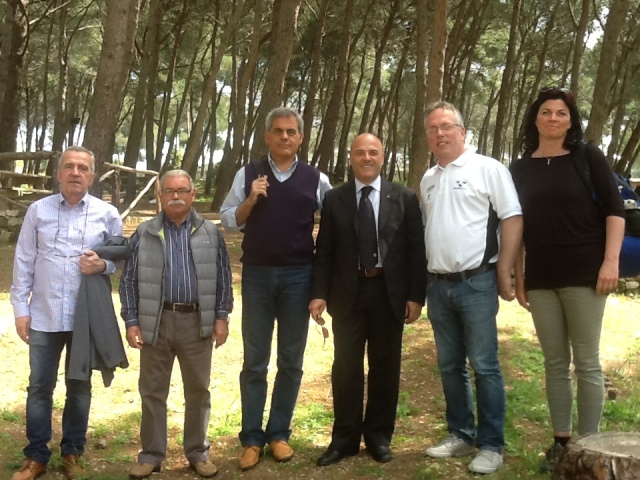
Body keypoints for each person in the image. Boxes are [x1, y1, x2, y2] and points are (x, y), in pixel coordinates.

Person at [510, 87, 625, 473]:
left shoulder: (587, 157)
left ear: (571, 121)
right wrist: (520, 277)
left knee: (587, 363)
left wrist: (611, 263)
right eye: (547, 112)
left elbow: (615, 210)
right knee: (554, 362)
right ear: (536, 119)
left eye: (562, 113)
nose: (554, 118)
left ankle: (590, 444)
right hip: (542, 278)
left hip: (585, 275)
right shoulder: (520, 168)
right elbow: (519, 227)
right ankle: (561, 442)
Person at [220, 107, 331, 471]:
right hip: (256, 276)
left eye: (292, 131)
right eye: (279, 131)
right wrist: (251, 198)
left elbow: (336, 220)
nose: (285, 137)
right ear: (267, 136)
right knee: (255, 361)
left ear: (300, 138)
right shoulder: (249, 173)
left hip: (299, 276)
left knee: (291, 360)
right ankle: (252, 439)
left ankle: (279, 433)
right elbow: (228, 222)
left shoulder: (315, 179)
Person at [309, 133, 427, 466]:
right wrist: (318, 293)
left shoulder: (404, 198)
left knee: (385, 367)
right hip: (347, 294)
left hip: (389, 294)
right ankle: (344, 439)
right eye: (360, 152)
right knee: (345, 369)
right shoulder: (335, 199)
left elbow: (416, 252)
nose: (366, 158)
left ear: (383, 157)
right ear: (351, 158)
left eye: (373, 152)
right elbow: (325, 252)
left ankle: (378, 437)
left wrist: (416, 296)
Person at [420, 101, 523, 474]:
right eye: (433, 128)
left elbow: (512, 217)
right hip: (438, 286)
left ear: (463, 132)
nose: (440, 133)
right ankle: (461, 434)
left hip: (476, 282)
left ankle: (491, 444)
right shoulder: (428, 178)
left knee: (484, 365)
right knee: (450, 366)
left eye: (447, 126)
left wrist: (504, 270)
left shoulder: (488, 169)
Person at [10, 146, 123, 480]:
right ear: (58, 173)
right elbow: (24, 258)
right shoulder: (37, 211)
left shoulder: (107, 213)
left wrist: (103, 264)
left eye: (83, 168)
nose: (76, 172)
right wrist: (20, 308)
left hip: (84, 317)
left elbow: (121, 257)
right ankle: (36, 456)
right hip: (44, 314)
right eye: (69, 167)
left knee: (79, 386)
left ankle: (73, 452)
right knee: (39, 387)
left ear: (91, 175)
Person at [119, 169, 233, 479]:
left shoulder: (211, 232)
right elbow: (128, 281)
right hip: (155, 320)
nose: (176, 196)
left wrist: (221, 317)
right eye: (169, 191)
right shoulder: (144, 233)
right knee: (153, 391)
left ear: (193, 194)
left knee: (198, 390)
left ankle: (198, 452)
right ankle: (151, 455)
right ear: (160, 196)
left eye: (182, 190)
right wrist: (131, 321)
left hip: (196, 322)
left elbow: (224, 279)